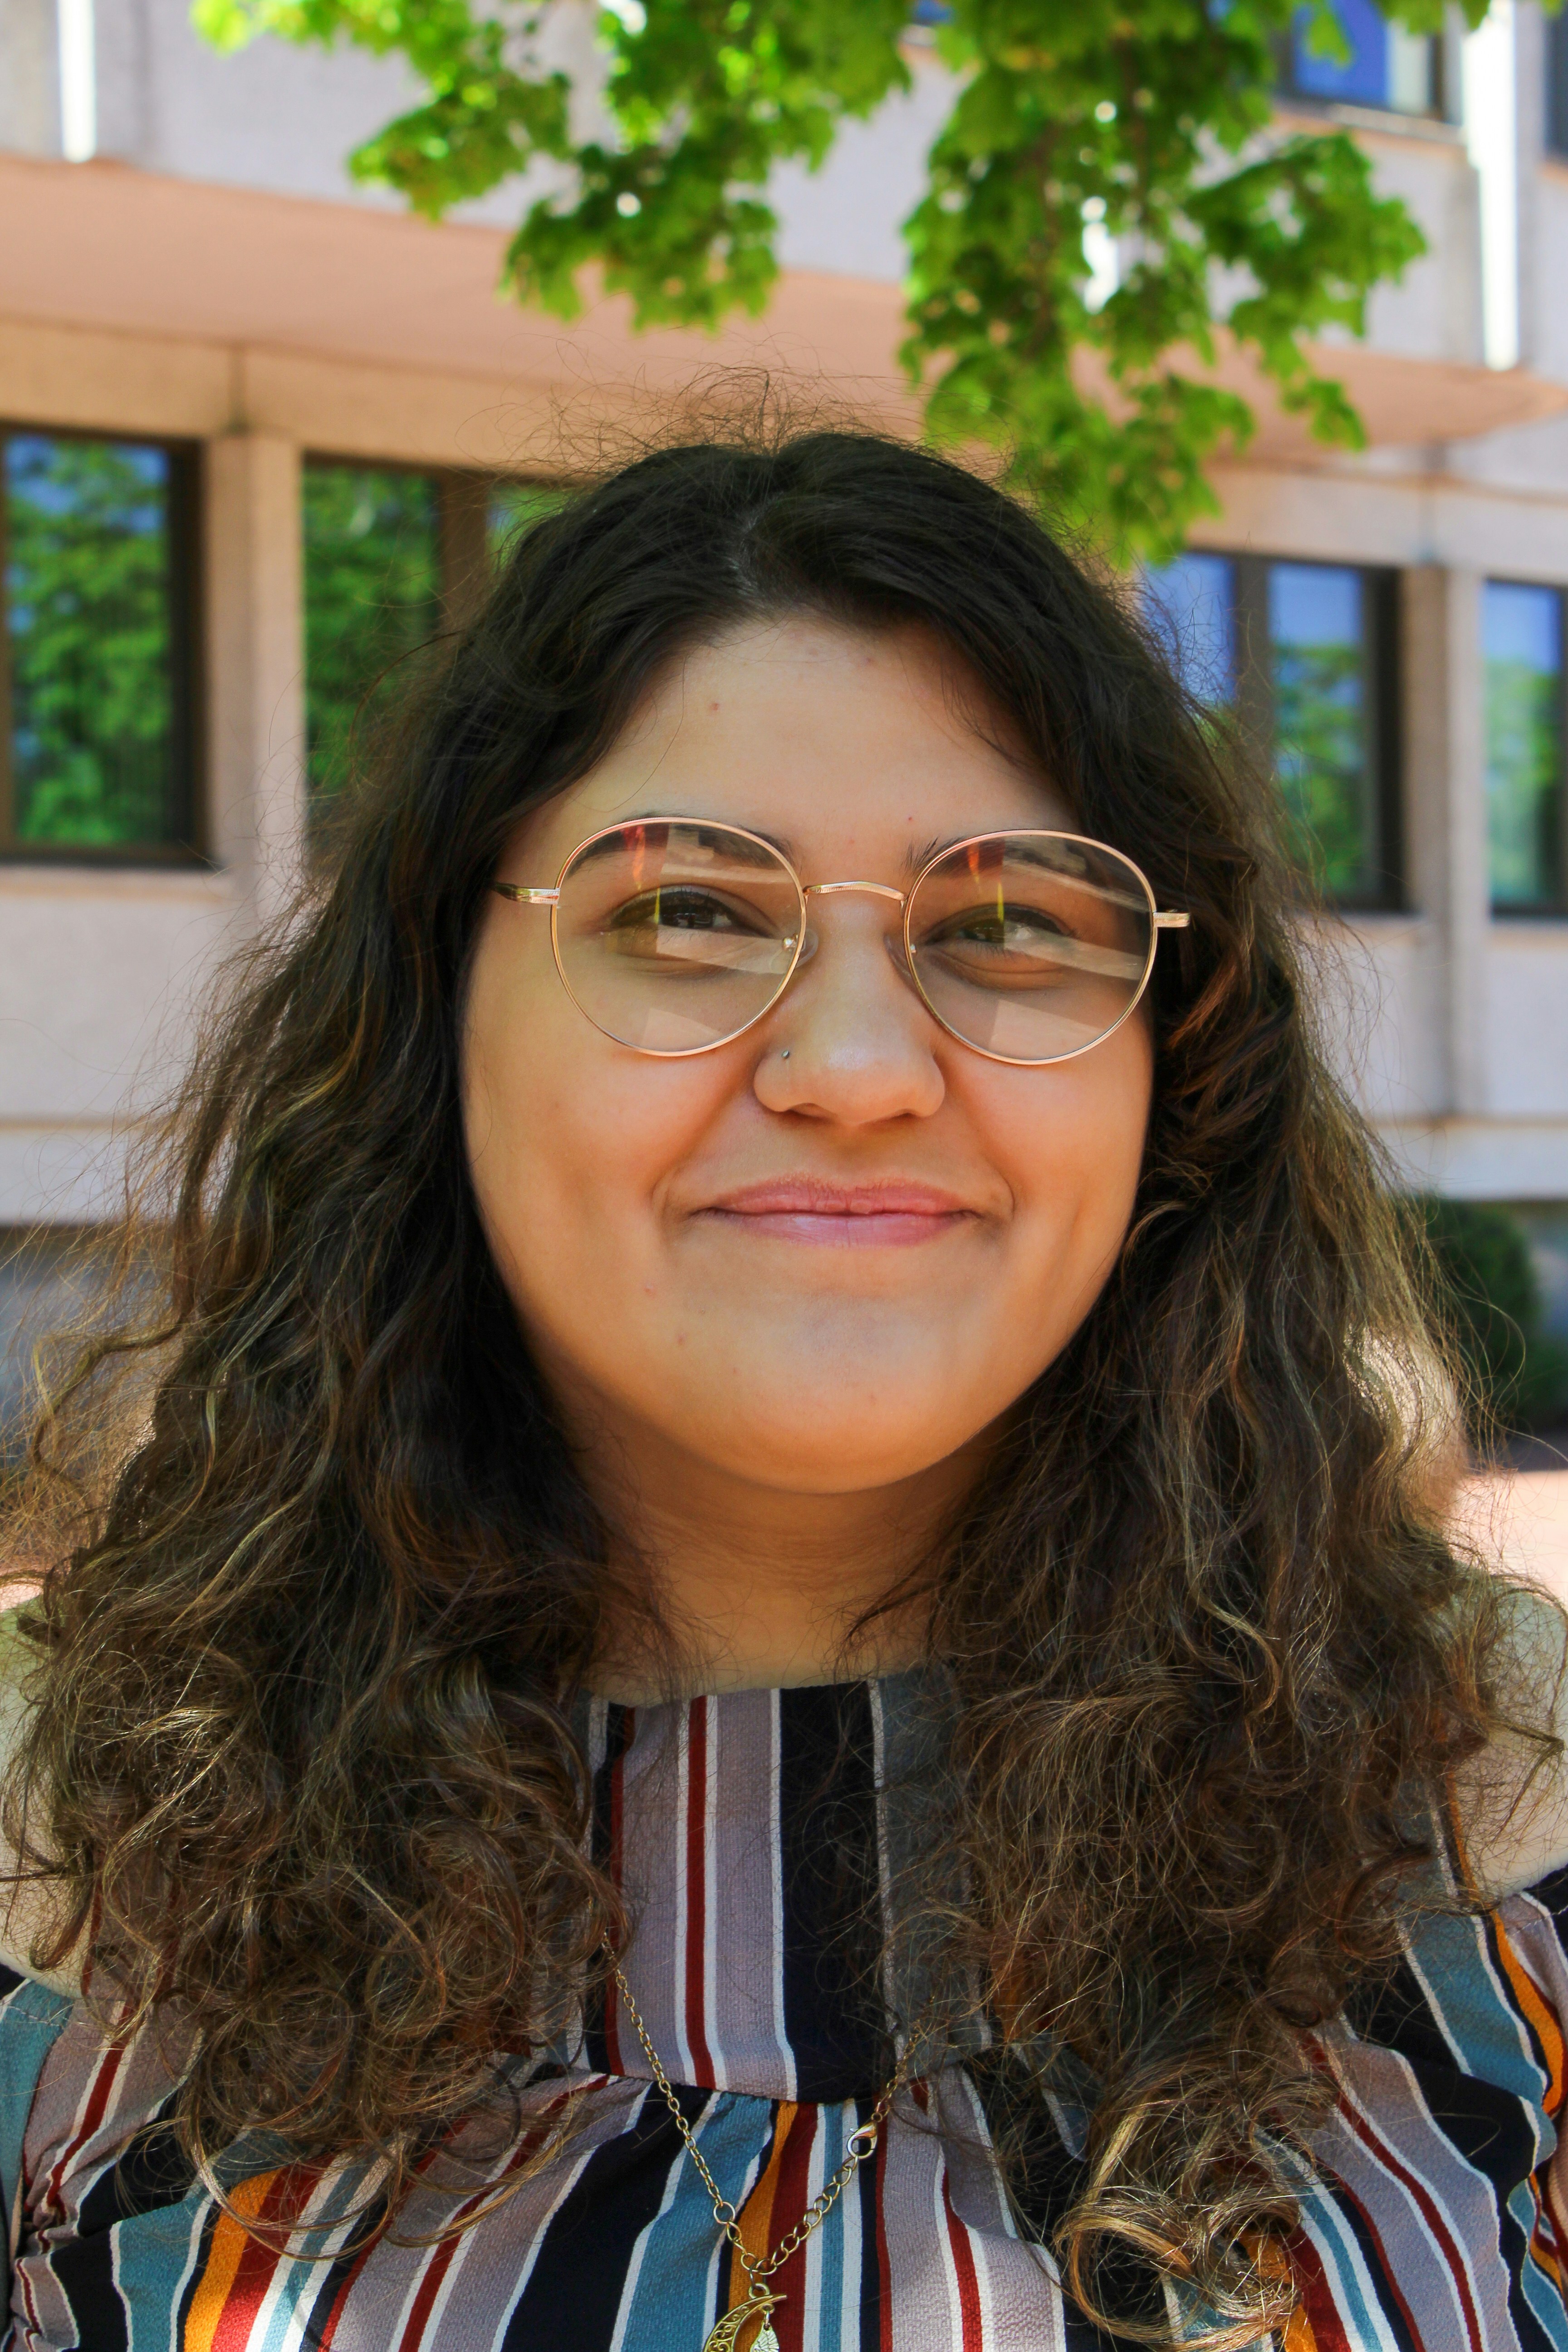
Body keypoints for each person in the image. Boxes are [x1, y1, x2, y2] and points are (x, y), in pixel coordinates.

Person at [0, 428, 1564, 2352]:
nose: (857, 1068)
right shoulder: (57, 1864)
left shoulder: (1508, 1816)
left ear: (1181, 1061)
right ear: (430, 1009)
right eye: (686, 912)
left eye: (1009, 922)